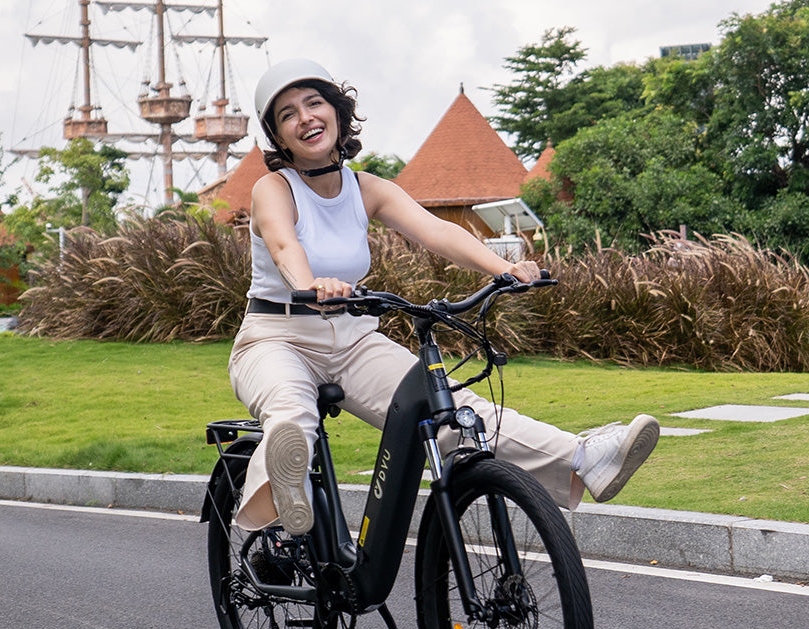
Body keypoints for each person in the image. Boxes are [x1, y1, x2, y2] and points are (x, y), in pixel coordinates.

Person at [229, 58, 659, 533]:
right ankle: (288, 500)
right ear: (278, 135)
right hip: (274, 338)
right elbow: (284, 245)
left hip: (351, 339)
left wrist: (506, 268)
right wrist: (311, 285)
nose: (305, 118)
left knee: (453, 409)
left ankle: (583, 457)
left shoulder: (366, 188)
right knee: (291, 412)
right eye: (288, 114)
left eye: (314, 103)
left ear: (336, 110)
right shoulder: (274, 187)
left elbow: (438, 232)